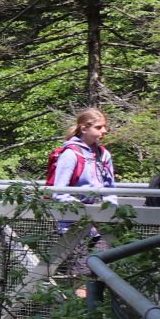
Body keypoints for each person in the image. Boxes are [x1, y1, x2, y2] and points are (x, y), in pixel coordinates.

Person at [48, 107, 117, 291]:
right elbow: (59, 192)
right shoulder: (70, 154)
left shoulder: (104, 155)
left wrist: (109, 209)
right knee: (81, 277)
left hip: (100, 225)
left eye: (104, 127)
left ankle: (95, 316)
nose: (104, 131)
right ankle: (83, 316)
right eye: (99, 127)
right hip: (75, 225)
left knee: (102, 274)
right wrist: (86, 212)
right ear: (84, 128)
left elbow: (110, 189)